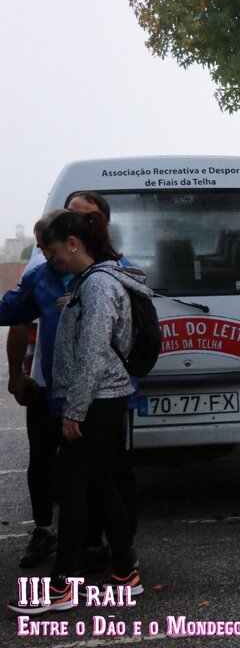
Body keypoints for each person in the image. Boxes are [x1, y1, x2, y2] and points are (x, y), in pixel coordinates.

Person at [9, 211, 148, 614]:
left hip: (96, 401)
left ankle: (61, 588)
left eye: (51, 250)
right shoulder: (91, 282)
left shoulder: (99, 285)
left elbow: (93, 355)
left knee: (72, 488)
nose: (49, 258)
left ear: (73, 244)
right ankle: (125, 572)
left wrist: (75, 411)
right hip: (101, 399)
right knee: (101, 484)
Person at [1, 212, 71, 569]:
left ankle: (95, 542)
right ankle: (44, 530)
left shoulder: (106, 272)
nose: (46, 254)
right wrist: (17, 374)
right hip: (46, 384)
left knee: (91, 469)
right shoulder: (40, 273)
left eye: (48, 247)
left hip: (90, 391)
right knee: (42, 460)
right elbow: (16, 317)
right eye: (42, 247)